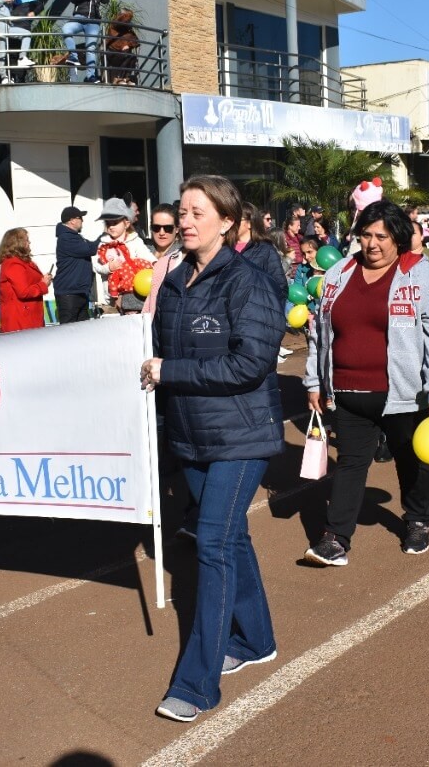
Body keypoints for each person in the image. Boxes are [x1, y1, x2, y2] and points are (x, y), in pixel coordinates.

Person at [142, 175, 282, 723]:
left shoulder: (247, 283)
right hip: (191, 436)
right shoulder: (174, 281)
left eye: (198, 212)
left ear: (227, 222)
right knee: (231, 537)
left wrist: (169, 370)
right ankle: (257, 640)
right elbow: (156, 351)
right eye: (182, 211)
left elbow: (250, 364)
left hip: (241, 437)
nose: (185, 220)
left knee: (212, 545)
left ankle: (197, 684)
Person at [301, 200, 429, 566]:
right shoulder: (339, 273)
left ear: (398, 238)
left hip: (403, 393)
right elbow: (319, 333)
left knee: (410, 459)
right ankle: (335, 538)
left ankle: (417, 520)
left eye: (381, 236)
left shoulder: (423, 277)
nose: (372, 244)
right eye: (366, 235)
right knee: (352, 463)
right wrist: (314, 380)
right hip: (348, 392)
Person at [94, 198, 154, 314]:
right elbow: (96, 265)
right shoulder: (103, 243)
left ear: (126, 224)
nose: (111, 227)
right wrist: (108, 267)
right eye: (108, 223)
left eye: (115, 223)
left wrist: (155, 263)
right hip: (112, 295)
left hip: (132, 292)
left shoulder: (134, 241)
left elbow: (146, 255)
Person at [0, 228, 50, 332]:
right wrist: (43, 284)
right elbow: (23, 292)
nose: (29, 242)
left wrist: (44, 281)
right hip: (21, 318)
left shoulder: (23, 262)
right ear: (18, 243)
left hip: (29, 315)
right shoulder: (13, 264)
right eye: (26, 240)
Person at [62, 0, 108, 83]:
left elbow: (106, 0)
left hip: (93, 21)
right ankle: (73, 56)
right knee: (66, 29)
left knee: (91, 48)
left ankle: (91, 76)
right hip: (79, 17)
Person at [53, 205, 98, 324]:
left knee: (82, 332)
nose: (82, 221)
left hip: (79, 292)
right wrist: (103, 237)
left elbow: (90, 246)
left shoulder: (75, 237)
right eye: (80, 218)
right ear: (72, 220)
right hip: (69, 294)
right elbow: (91, 249)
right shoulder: (66, 238)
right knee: (68, 333)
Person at [104, 9, 140, 86]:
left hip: (124, 53)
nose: (128, 19)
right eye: (126, 16)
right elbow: (119, 23)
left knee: (132, 56)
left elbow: (136, 40)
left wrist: (128, 45)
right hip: (112, 53)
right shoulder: (114, 25)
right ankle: (117, 78)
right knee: (127, 54)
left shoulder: (128, 30)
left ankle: (126, 79)